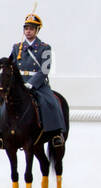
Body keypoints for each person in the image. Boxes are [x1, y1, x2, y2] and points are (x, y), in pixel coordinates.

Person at [12, 11, 66, 146]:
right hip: (19, 84)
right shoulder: (17, 47)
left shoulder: (45, 48)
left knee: (51, 102)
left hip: (38, 85)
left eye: (31, 29)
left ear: (37, 30)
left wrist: (31, 84)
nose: (28, 31)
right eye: (26, 28)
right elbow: (12, 66)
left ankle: (56, 133)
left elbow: (45, 70)